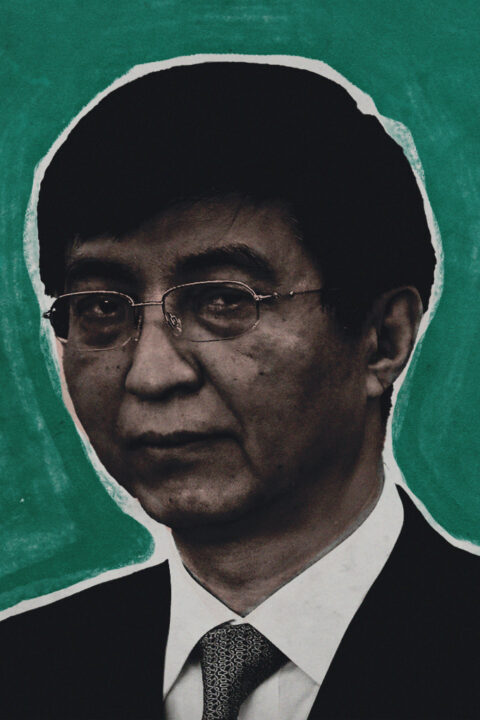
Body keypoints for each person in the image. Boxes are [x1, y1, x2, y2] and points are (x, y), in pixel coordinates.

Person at [1, 59, 478, 719]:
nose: (152, 375)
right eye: (101, 308)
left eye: (224, 301)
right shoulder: (22, 671)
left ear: (382, 339)